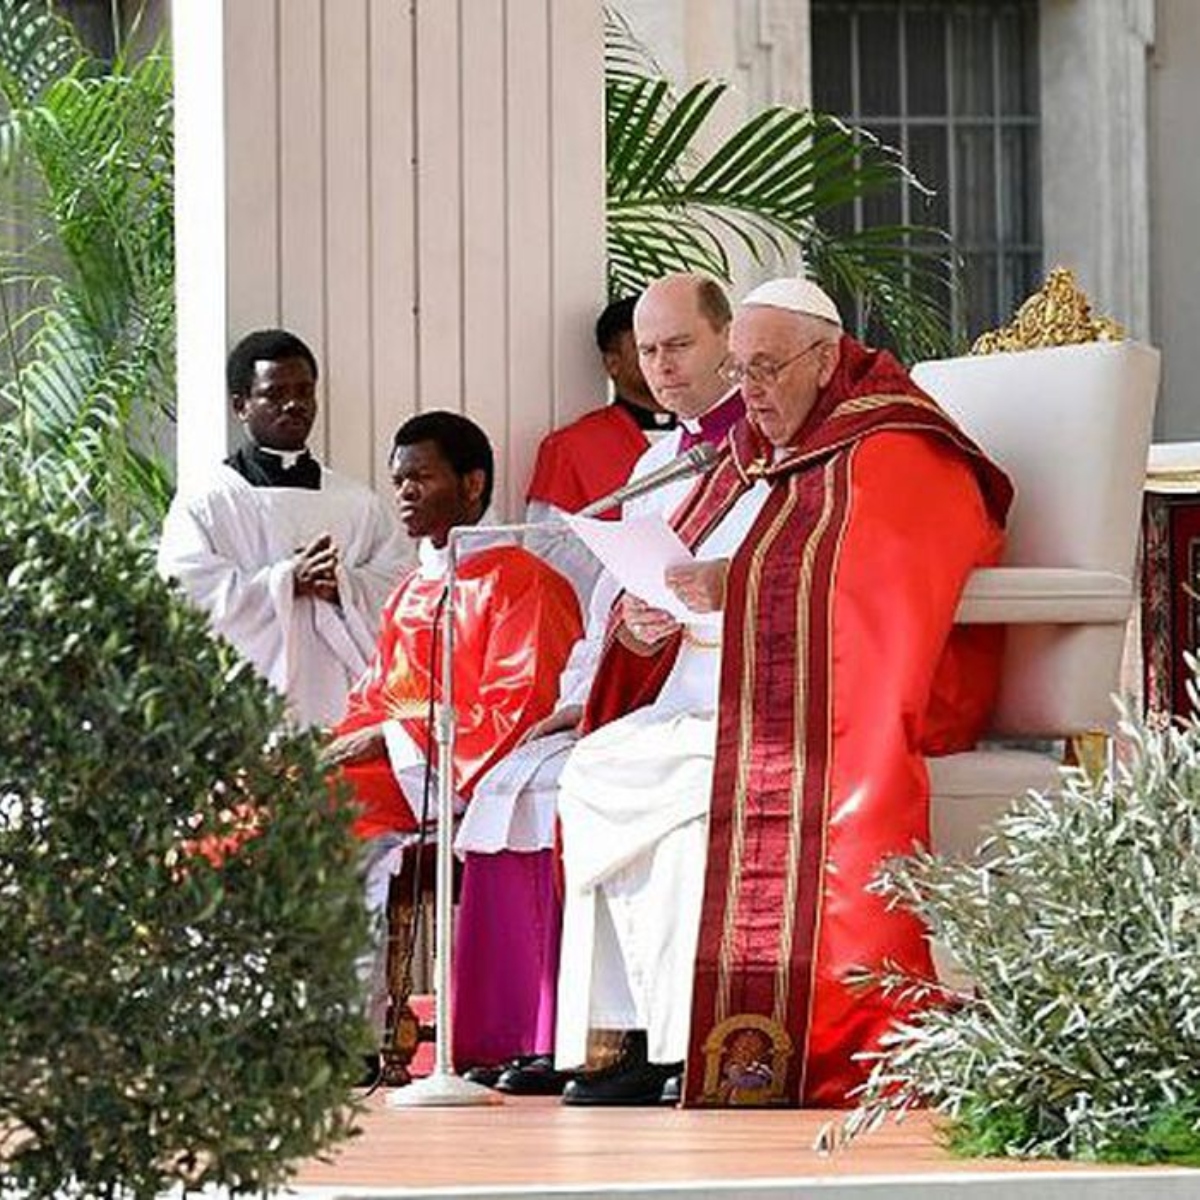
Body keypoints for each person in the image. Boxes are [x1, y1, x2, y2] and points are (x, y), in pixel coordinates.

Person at [552, 277, 1014, 1108]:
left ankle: (709, 1037)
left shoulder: (897, 444)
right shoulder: (752, 451)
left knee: (692, 784)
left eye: (765, 369)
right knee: (600, 767)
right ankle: (644, 1037)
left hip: (848, 704)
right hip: (738, 695)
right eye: (738, 372)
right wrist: (645, 622)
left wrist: (739, 585)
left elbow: (884, 584)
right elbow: (683, 568)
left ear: (825, 357)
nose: (750, 392)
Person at [457, 271, 745, 1092]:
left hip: (727, 692)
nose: (663, 366)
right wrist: (606, 661)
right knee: (550, 773)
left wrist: (691, 619)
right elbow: (613, 596)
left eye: (680, 345)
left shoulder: (760, 455)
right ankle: (580, 1035)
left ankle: (662, 1042)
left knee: (613, 781)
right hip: (658, 687)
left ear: (728, 340)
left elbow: (780, 580)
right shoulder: (658, 460)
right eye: (648, 351)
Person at [324, 411, 582, 1044]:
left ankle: (342, 1034)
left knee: (319, 814)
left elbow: (518, 712)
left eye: (421, 478)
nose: (405, 494)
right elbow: (372, 698)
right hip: (401, 769)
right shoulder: (411, 591)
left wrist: (386, 739)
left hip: (456, 780)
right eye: (398, 481)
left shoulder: (525, 582)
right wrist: (329, 747)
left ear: (472, 484)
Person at [157, 329, 407, 729]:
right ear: (241, 405)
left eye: (304, 392)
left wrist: (342, 586)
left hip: (344, 706)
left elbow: (401, 593)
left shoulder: (357, 503)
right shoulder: (208, 501)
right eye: (274, 394)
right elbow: (184, 597)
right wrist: (286, 582)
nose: (294, 405)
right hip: (247, 711)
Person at [525, 295, 674, 606]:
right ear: (612, 362)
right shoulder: (569, 447)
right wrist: (639, 576)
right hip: (617, 618)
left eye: (673, 345)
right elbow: (545, 552)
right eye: (645, 348)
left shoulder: (716, 436)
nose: (663, 360)